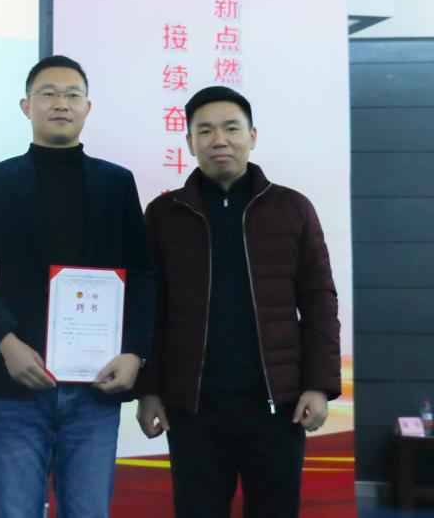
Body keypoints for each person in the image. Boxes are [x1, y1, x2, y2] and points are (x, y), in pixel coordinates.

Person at [0, 55, 155, 518]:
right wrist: (6, 343)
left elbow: (143, 276)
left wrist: (135, 354)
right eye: (48, 94)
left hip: (96, 385)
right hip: (17, 387)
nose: (61, 103)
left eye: (72, 95)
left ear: (87, 108)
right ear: (27, 106)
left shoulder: (116, 183)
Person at [135, 86, 341, 518]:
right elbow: (150, 309)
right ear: (190, 142)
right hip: (193, 406)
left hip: (277, 404)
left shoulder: (292, 208)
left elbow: (319, 301)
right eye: (205, 131)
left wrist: (319, 386)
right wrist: (148, 390)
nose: (219, 140)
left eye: (231, 128)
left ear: (253, 135)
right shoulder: (165, 215)